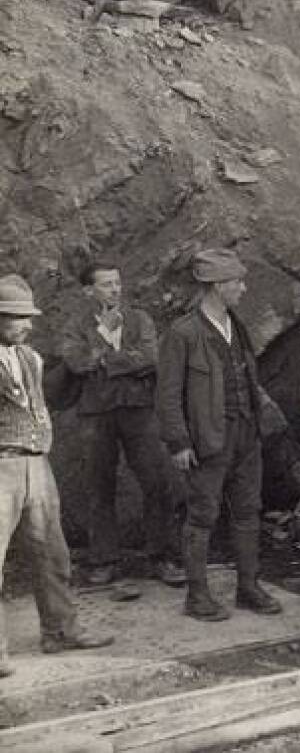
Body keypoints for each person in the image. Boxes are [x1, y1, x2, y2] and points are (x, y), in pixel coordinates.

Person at [158, 248, 283, 621]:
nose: (243, 288)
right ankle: (198, 596)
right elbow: (167, 394)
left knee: (248, 512)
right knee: (201, 516)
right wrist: (179, 442)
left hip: (246, 435)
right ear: (215, 286)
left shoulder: (236, 326)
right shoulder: (183, 333)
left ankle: (248, 588)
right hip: (207, 439)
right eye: (236, 282)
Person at [0, 274, 114, 675]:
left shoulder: (30, 358)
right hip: (2, 467)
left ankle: (61, 631)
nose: (29, 324)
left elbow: (45, 402)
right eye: (18, 317)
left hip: (36, 463)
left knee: (52, 551)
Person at [58, 263, 183, 589]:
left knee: (157, 480)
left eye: (117, 282)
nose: (115, 289)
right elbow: (75, 361)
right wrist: (106, 345)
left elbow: (151, 357)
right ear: (89, 291)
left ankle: (162, 556)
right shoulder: (76, 324)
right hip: (95, 413)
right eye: (106, 285)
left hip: (139, 410)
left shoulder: (139, 318)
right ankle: (104, 560)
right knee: (99, 485)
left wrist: (102, 363)